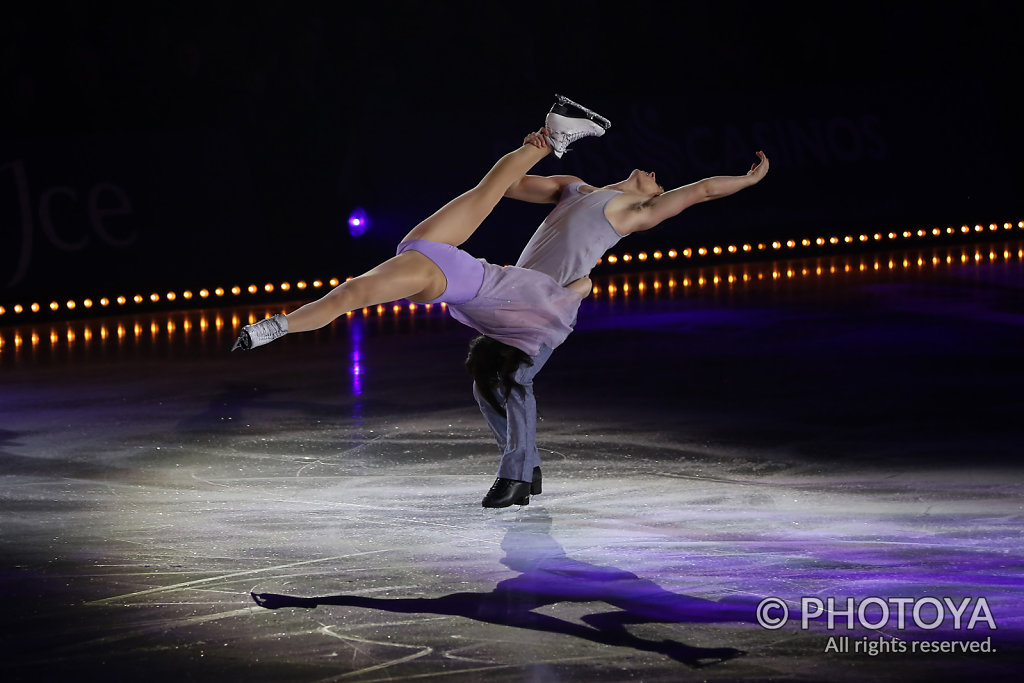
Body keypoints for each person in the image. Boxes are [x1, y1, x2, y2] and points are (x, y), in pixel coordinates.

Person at [232, 99, 609, 411]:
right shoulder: (529, 310)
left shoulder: (521, 314)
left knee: (488, 191)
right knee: (489, 190)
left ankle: (550, 136)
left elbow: (344, 298)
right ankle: (551, 135)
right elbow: (578, 288)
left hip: (429, 260)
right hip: (435, 262)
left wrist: (268, 329)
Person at [471, 135, 769, 508]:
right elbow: (505, 183)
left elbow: (704, 189)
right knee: (485, 382)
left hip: (551, 304)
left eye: (660, 184)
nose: (656, 176)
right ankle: (527, 466)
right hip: (513, 296)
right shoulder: (571, 187)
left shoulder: (634, 209)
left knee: (515, 377)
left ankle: (514, 475)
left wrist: (749, 180)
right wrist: (534, 145)